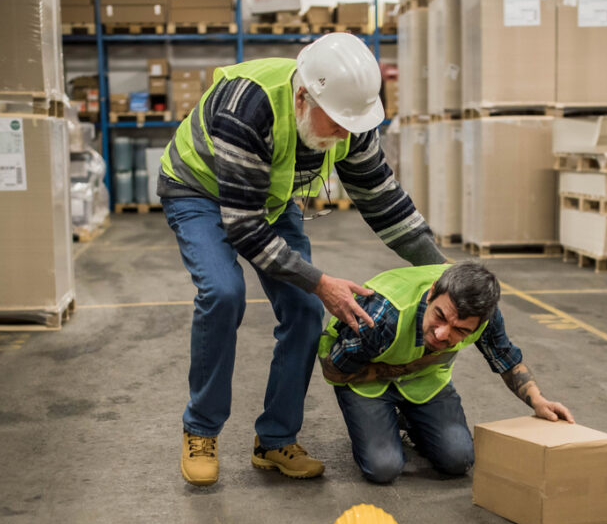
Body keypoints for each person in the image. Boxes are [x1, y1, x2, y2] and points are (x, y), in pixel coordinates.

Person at [158, 34, 448, 487]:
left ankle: (275, 440)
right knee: (223, 293)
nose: (344, 136)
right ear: (302, 97)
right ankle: (201, 429)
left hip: (268, 201)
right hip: (199, 189)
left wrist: (444, 272)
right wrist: (320, 281)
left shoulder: (349, 116)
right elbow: (243, 227)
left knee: (305, 313)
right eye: (335, 125)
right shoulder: (248, 108)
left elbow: (383, 201)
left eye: (350, 127)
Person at [318, 262, 574, 484]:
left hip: (424, 383)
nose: (442, 334)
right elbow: (334, 372)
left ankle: (409, 420)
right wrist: (404, 368)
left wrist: (539, 401)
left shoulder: (484, 315)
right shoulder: (382, 316)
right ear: (431, 294)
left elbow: (506, 359)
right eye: (440, 316)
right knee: (383, 468)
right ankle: (376, 422)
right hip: (364, 382)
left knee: (458, 460)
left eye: (460, 330)